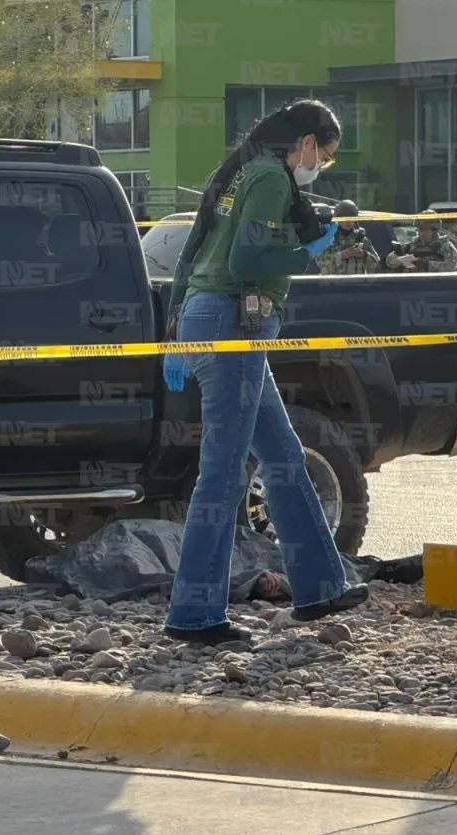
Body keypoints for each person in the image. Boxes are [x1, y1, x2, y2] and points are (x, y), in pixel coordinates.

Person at [159, 99, 370, 645]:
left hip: (209, 316)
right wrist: (310, 248)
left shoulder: (237, 174)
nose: (321, 164)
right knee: (225, 472)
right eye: (323, 153)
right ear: (304, 143)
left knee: (282, 456)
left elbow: (191, 256)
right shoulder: (271, 178)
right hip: (233, 320)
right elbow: (246, 264)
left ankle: (322, 585)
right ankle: (194, 614)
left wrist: (177, 332)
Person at [315, 199, 381, 274]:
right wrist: (343, 255)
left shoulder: (361, 238)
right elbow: (319, 261)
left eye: (351, 219)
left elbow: (376, 261)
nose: (347, 222)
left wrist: (364, 255)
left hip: (356, 284)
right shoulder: (328, 238)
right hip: (333, 284)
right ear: (338, 220)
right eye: (344, 219)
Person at [386, 214, 457, 273]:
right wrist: (401, 260)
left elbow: (451, 265)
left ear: (434, 231)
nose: (421, 234)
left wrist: (427, 264)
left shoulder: (445, 246)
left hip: (437, 285)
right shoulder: (412, 245)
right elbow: (389, 261)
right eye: (419, 230)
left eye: (425, 230)